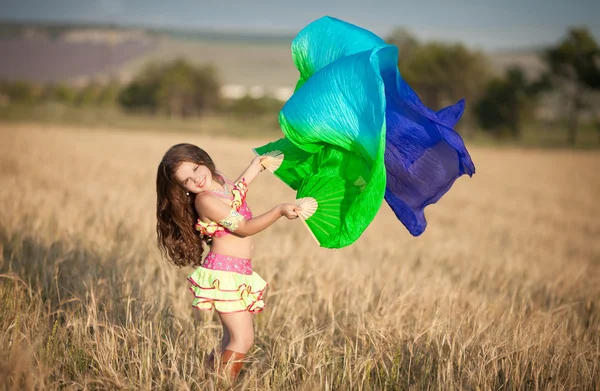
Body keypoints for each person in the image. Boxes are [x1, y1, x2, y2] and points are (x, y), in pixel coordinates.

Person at [155, 143, 300, 382]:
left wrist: (255, 167)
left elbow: (238, 190)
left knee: (230, 339)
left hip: (238, 272)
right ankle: (220, 385)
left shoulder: (220, 180)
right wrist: (279, 211)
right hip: (225, 274)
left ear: (203, 160)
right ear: (183, 189)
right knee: (243, 339)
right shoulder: (205, 201)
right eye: (187, 181)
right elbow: (243, 228)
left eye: (195, 169)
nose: (197, 180)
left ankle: (207, 381)